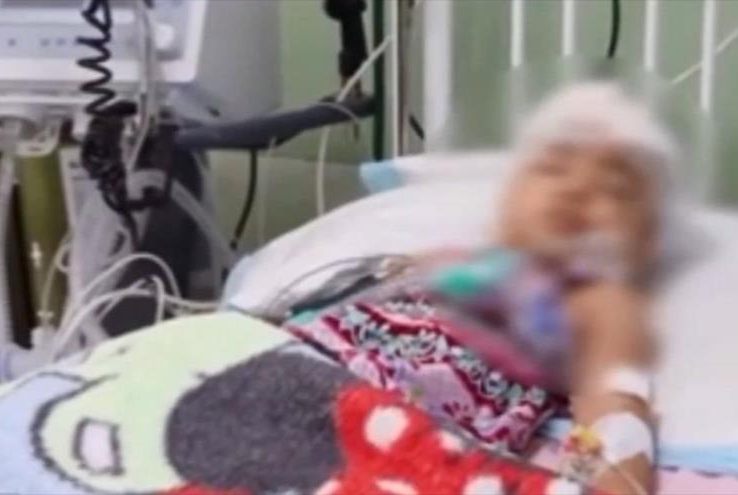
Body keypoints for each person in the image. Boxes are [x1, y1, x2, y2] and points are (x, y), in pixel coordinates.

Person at [288, 81, 675, 495]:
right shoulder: (450, 266)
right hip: (294, 367)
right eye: (554, 168)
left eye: (614, 188)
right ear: (511, 197)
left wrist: (612, 479)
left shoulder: (596, 298)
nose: (576, 189)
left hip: (378, 420)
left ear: (645, 243)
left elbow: (613, 403)